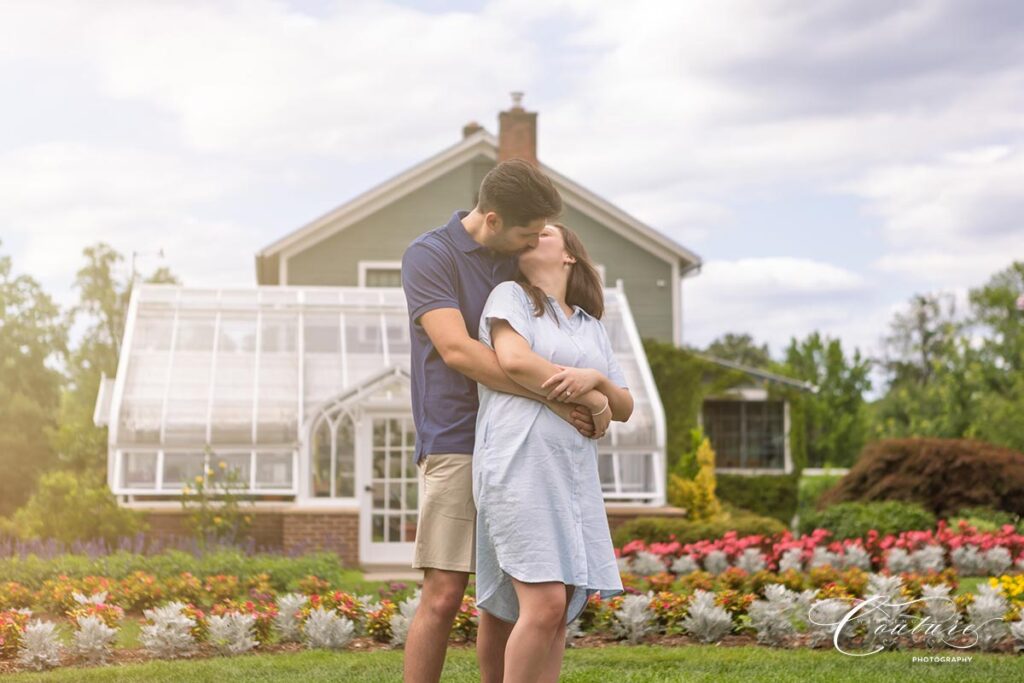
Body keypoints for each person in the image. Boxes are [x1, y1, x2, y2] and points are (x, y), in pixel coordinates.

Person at [400, 160, 598, 683]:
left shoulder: (515, 261)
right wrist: (552, 398)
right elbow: (457, 350)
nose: (534, 243)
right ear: (492, 220)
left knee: (507, 599)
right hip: (457, 440)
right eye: (527, 233)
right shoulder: (430, 255)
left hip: (520, 446)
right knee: (443, 595)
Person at [474, 222, 632, 683]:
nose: (530, 236)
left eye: (543, 233)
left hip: (571, 475)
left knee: (556, 609)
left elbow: (625, 405)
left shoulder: (590, 326)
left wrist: (597, 383)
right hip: (519, 463)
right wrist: (588, 398)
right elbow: (516, 361)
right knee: (543, 605)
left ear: (569, 256)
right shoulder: (512, 296)